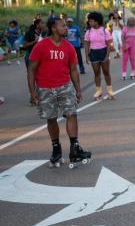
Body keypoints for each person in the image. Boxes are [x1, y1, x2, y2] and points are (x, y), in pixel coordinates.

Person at [27, 18, 90, 169]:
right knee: (51, 119)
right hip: (45, 88)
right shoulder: (41, 46)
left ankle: (75, 148)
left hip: (65, 87)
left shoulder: (68, 47)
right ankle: (56, 149)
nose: (66, 28)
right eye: (63, 26)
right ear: (54, 28)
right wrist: (32, 91)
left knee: (72, 114)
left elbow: (74, 70)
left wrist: (78, 89)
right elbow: (31, 69)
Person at [84, 12, 114, 100]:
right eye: (89, 21)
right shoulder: (88, 32)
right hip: (93, 52)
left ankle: (110, 90)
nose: (90, 23)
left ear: (97, 21)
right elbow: (86, 44)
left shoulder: (104, 31)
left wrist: (107, 55)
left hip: (103, 51)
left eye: (91, 21)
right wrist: (86, 55)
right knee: (96, 73)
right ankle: (98, 91)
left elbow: (109, 44)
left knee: (106, 72)